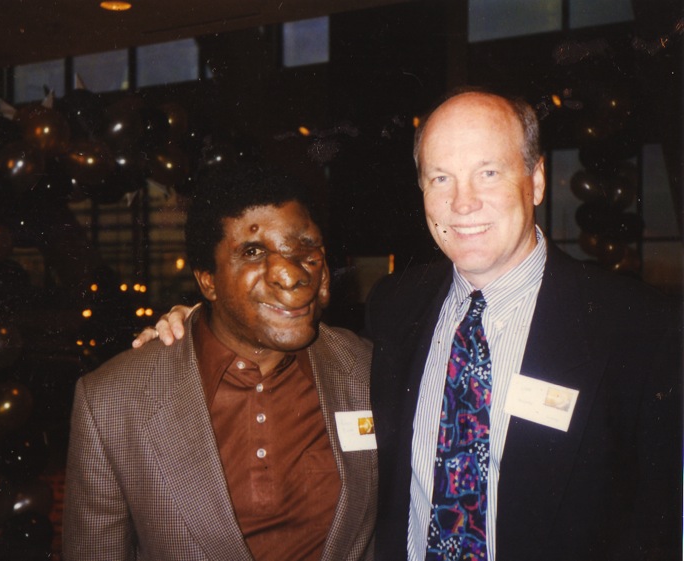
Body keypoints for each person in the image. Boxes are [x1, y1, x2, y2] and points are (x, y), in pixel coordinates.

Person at [137, 90, 681, 561]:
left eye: (488, 172)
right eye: (440, 178)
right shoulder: (394, 306)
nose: (463, 202)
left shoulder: (638, 328)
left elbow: (664, 526)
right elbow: (287, 340)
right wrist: (201, 326)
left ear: (536, 180)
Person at [63, 164, 377, 561]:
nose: (290, 273)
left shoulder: (367, 370)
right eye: (253, 252)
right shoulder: (112, 402)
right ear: (207, 280)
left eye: (303, 248)